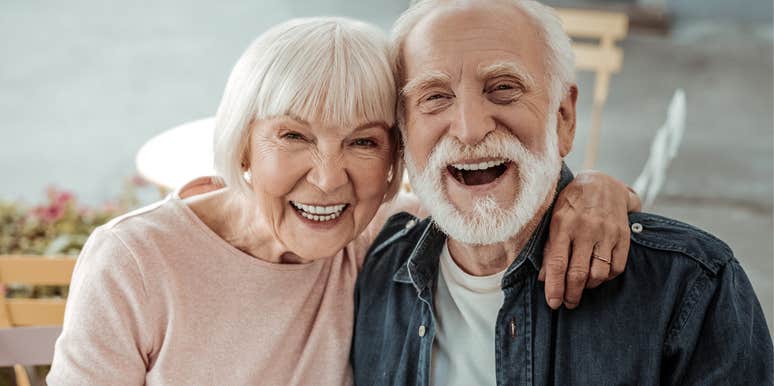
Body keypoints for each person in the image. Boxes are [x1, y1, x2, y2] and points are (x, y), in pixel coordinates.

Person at [47, 16, 639, 386]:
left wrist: (592, 188)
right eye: (294, 136)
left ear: (394, 162)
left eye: (362, 141)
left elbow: (497, 195)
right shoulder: (134, 261)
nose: (329, 181)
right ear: (243, 144)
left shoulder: (382, 238)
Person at [351, 1, 774, 385]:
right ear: (404, 135)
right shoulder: (372, 273)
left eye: (503, 88)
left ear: (564, 118)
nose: (469, 128)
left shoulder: (689, 287)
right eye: (436, 96)